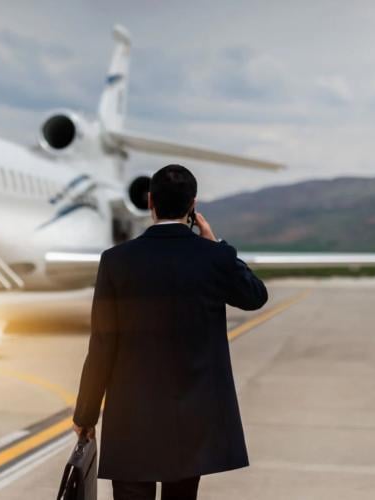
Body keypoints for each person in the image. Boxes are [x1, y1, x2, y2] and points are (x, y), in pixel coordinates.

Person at [72, 164, 268, 500]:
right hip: (191, 422)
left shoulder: (116, 260)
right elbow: (254, 296)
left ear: (150, 201)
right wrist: (217, 245)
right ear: (193, 205)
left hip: (131, 419)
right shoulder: (212, 258)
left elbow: (102, 344)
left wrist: (86, 414)